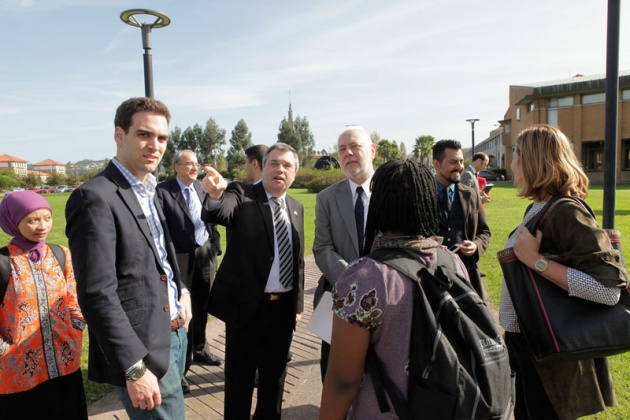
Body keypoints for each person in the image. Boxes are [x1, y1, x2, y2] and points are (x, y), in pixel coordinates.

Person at [66, 97, 191, 419]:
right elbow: (96, 293)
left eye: (162, 138)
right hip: (142, 348)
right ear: (119, 135)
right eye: (144, 134)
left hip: (175, 335)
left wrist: (183, 290)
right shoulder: (95, 197)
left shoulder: (150, 191)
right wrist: (134, 368)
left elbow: (160, 257)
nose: (155, 145)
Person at [319, 160, 470, 419]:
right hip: (447, 405)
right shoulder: (452, 261)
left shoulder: (365, 276)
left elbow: (343, 380)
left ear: (378, 203)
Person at [500, 124, 628, 419]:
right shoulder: (540, 207)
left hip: (552, 355)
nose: (512, 163)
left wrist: (536, 261)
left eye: (516, 154)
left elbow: (608, 290)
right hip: (528, 346)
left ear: (534, 160)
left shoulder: (567, 211)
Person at [201, 142, 305, 420]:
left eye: (286, 165)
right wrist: (214, 195)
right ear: (263, 166)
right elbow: (220, 212)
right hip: (247, 308)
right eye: (273, 163)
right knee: (240, 383)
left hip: (281, 311)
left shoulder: (295, 207)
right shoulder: (242, 193)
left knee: (274, 381)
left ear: (295, 172)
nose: (279, 169)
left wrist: (297, 306)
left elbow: (298, 262)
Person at [0, 191, 87, 420]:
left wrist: (75, 330)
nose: (42, 226)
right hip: (17, 369)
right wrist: (3, 350)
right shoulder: (3, 262)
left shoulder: (60, 254)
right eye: (32, 220)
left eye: (47, 218)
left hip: (64, 362)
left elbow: (73, 298)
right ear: (13, 221)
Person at [156, 150, 223, 395]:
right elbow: (161, 228)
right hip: (179, 258)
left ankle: (201, 349)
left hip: (205, 254)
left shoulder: (201, 188)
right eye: (189, 164)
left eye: (196, 164)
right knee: (182, 311)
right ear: (176, 167)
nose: (195, 168)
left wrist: (215, 246)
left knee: (203, 304)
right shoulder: (162, 191)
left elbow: (211, 218)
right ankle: (181, 368)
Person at [313, 125, 376, 381]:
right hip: (337, 293)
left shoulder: (392, 191)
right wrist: (354, 277)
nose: (348, 153)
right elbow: (321, 247)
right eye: (342, 149)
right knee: (333, 373)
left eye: (355, 147)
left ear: (372, 150)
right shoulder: (326, 198)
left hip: (384, 296)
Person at [432, 139, 491, 301]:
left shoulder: (471, 194)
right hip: (432, 277)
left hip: (466, 275)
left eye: (461, 161)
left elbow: (484, 232)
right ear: (436, 164)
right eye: (453, 162)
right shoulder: (422, 195)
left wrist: (476, 246)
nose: (459, 167)